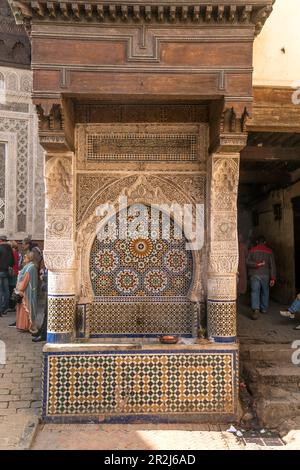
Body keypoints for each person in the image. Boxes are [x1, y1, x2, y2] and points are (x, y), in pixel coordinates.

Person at [247, 235, 276, 320]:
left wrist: (256, 264)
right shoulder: (269, 251)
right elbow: (272, 266)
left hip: (254, 274)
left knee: (254, 292)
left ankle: (256, 309)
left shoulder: (252, 250)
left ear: (256, 242)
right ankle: (264, 309)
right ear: (265, 242)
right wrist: (273, 278)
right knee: (265, 291)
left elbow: (247, 262)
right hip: (265, 275)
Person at [15, 252, 38, 333]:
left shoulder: (30, 268)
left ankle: (25, 325)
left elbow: (25, 279)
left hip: (27, 292)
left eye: (25, 257)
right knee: (25, 308)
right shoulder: (30, 266)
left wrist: (20, 289)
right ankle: (24, 325)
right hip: (29, 291)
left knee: (26, 309)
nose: (24, 259)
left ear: (29, 258)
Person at [0, 235, 14, 317]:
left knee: (1, 291)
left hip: (0, 271)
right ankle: (4, 308)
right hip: (6, 272)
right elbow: (13, 262)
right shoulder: (9, 249)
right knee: (6, 291)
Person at [32, 268, 48, 342]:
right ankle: (42, 332)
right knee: (46, 314)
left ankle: (43, 334)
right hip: (48, 290)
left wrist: (44, 277)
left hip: (52, 290)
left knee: (48, 314)